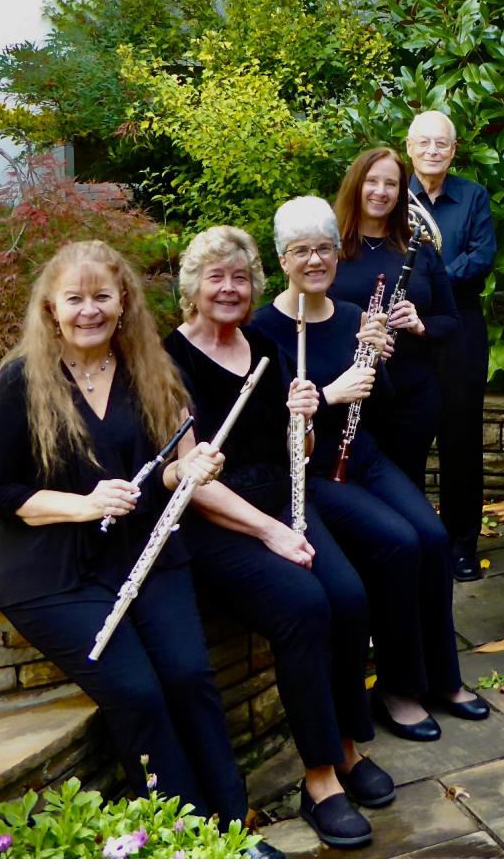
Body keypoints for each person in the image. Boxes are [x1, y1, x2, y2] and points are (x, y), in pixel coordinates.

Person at [0, 240, 283, 859]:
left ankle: (232, 830)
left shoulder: (151, 369)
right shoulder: (19, 380)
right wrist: (83, 504)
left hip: (143, 551)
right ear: (51, 308)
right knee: (138, 692)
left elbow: (167, 469)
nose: (89, 310)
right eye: (75, 298)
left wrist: (193, 471)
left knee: (191, 676)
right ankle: (183, 839)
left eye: (102, 297)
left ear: (123, 304)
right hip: (53, 568)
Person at [167, 226, 394, 849]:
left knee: (348, 597)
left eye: (240, 278)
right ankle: (319, 780)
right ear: (192, 288)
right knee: (303, 606)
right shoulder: (169, 360)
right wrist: (270, 533)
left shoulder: (265, 343)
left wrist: (305, 418)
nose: (229, 289)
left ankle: (346, 751)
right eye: (216, 277)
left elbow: (300, 452)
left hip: (283, 497)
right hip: (218, 519)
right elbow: (190, 481)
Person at [250, 196, 488, 743]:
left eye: (326, 249)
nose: (316, 260)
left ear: (338, 253)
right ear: (282, 259)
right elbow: (267, 427)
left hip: (363, 457)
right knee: (398, 543)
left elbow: (386, 398)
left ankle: (442, 679)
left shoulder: (353, 317)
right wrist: (330, 396)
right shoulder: (263, 330)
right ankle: (398, 689)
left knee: (431, 536)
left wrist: (382, 359)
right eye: (302, 251)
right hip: (310, 472)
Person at [330, 147, 459, 491]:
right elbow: (306, 315)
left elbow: (450, 320)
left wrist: (420, 325)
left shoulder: (420, 247)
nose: (381, 191)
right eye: (371, 181)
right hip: (348, 392)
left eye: (391, 184)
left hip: (410, 398)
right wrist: (356, 329)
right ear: (356, 185)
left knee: (406, 489)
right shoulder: (330, 248)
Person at [407, 110, 498, 582]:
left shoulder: (473, 197)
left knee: (462, 440)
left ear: (454, 149)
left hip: (461, 329)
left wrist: (432, 282)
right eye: (424, 142)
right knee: (409, 437)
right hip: (408, 334)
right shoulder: (395, 198)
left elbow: (481, 257)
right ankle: (414, 538)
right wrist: (435, 284)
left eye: (442, 143)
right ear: (409, 147)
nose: (433, 150)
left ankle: (463, 543)